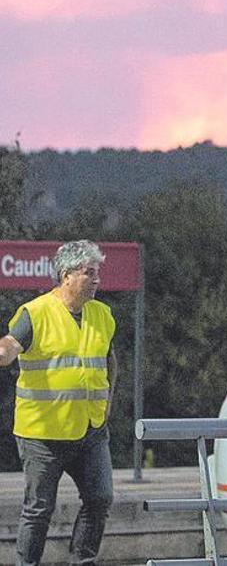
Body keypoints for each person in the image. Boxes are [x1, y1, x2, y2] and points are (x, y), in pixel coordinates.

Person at [0, 240, 116, 566]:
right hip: (43, 434)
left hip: (91, 430)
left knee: (100, 498)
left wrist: (108, 404)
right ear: (66, 276)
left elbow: (109, 361)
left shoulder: (102, 315)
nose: (96, 280)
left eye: (97, 273)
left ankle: (83, 561)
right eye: (88, 273)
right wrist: (4, 353)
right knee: (39, 509)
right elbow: (10, 345)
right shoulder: (35, 313)